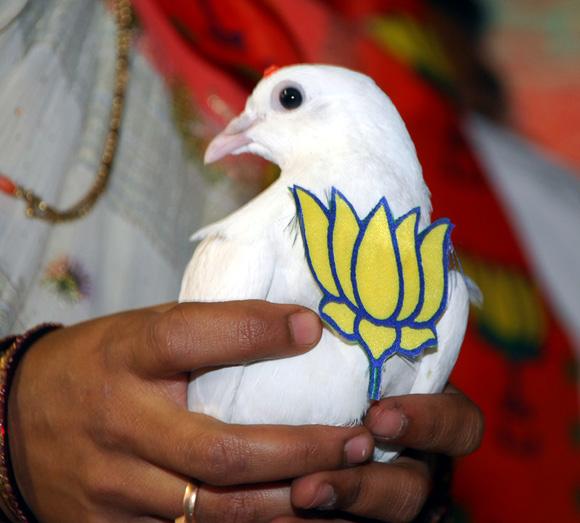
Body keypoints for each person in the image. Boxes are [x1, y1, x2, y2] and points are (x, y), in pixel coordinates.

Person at [0, 1, 484, 522]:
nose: (241, 125)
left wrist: (399, 486)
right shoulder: (244, 244)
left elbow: (386, 457)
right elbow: (202, 437)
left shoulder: (445, 296)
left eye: (287, 99)